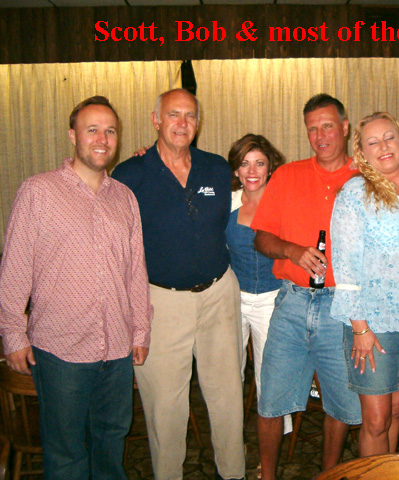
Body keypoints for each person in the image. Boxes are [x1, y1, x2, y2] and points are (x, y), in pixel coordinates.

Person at [0, 96, 152, 480]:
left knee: (110, 444)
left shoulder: (125, 198)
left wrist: (140, 330)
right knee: (66, 453)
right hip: (61, 350)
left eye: (110, 131)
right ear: (73, 135)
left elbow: (135, 272)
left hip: (117, 349)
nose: (102, 139)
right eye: (92, 129)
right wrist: (13, 333)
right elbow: (15, 268)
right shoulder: (38, 191)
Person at [111, 88, 245, 480]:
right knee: (165, 407)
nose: (182, 123)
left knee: (228, 395)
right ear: (156, 120)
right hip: (160, 302)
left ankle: (233, 474)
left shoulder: (216, 168)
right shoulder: (130, 175)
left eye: (190, 115)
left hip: (219, 294)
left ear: (198, 123)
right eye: (173, 115)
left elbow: (254, 196)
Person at [251, 93, 362, 480]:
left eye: (327, 126)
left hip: (343, 309)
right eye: (312, 129)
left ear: (344, 128)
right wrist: (292, 251)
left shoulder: (366, 178)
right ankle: (267, 476)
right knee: (270, 402)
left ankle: (328, 474)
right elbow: (261, 238)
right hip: (293, 305)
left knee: (341, 405)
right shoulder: (287, 175)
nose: (320, 136)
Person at [330, 112, 399, 456]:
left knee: (396, 410)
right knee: (376, 419)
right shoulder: (355, 193)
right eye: (373, 142)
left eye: (389, 137)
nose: (383, 146)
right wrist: (360, 328)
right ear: (362, 153)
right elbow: (345, 265)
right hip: (373, 322)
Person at [225, 133, 292, 435]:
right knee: (229, 373)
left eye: (259, 163)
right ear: (236, 169)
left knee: (271, 374)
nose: (252, 171)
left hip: (272, 299)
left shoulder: (283, 202)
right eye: (245, 163)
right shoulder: (225, 202)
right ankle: (230, 435)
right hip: (232, 299)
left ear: (270, 167)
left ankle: (276, 434)